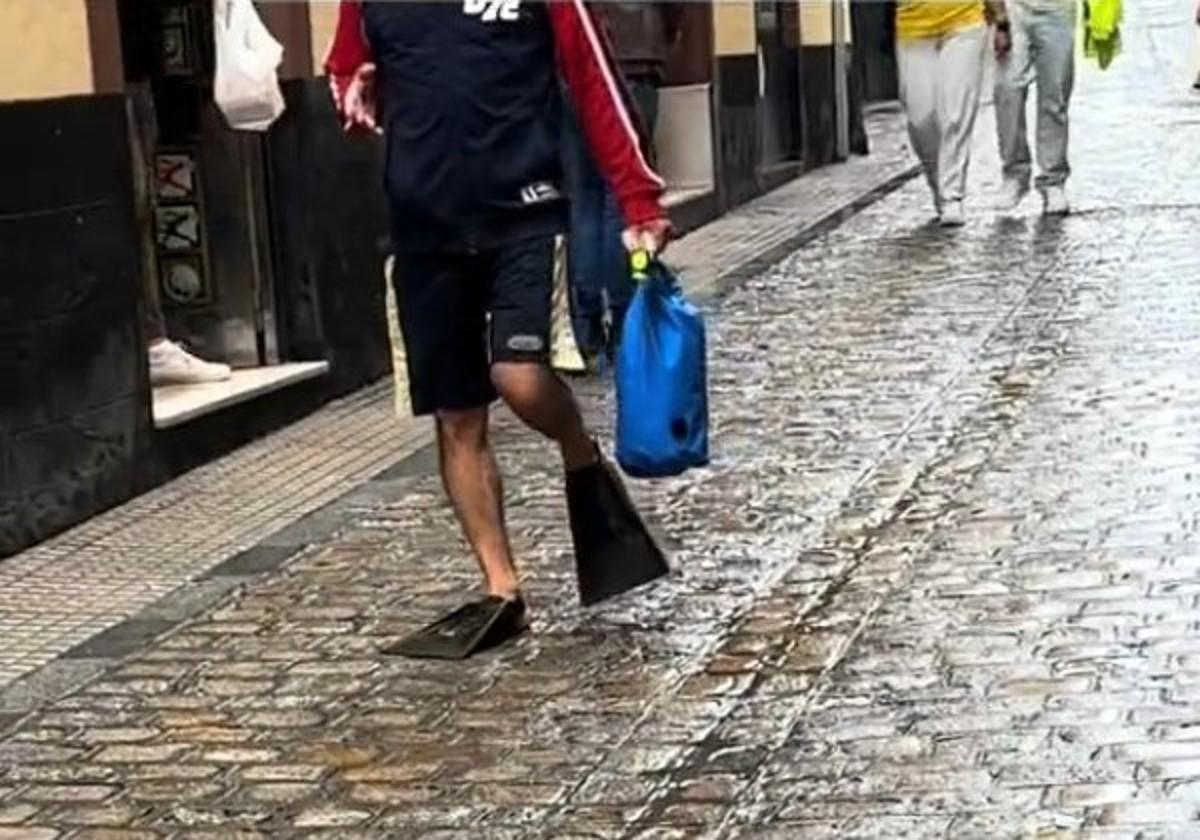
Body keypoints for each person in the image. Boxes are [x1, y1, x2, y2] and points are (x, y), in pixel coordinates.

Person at [326, 0, 673, 658]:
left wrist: (639, 196)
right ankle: (502, 590)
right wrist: (353, 91)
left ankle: (578, 449)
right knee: (457, 416)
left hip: (525, 212)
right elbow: (345, 63)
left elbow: (594, 78)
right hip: (423, 225)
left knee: (518, 376)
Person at [563, 1, 682, 364]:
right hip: (635, 59)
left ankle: (585, 324)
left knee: (582, 198)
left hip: (574, 68)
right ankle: (625, 314)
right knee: (622, 202)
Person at [895, 0, 1009, 227]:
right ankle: (938, 182)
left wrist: (1001, 18)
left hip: (964, 21)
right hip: (912, 25)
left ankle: (952, 195)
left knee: (955, 113)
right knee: (920, 120)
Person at [994, 0, 1076, 216]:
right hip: (1013, 10)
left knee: (1055, 93)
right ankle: (1015, 173)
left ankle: (1052, 180)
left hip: (1058, 9)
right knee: (1007, 89)